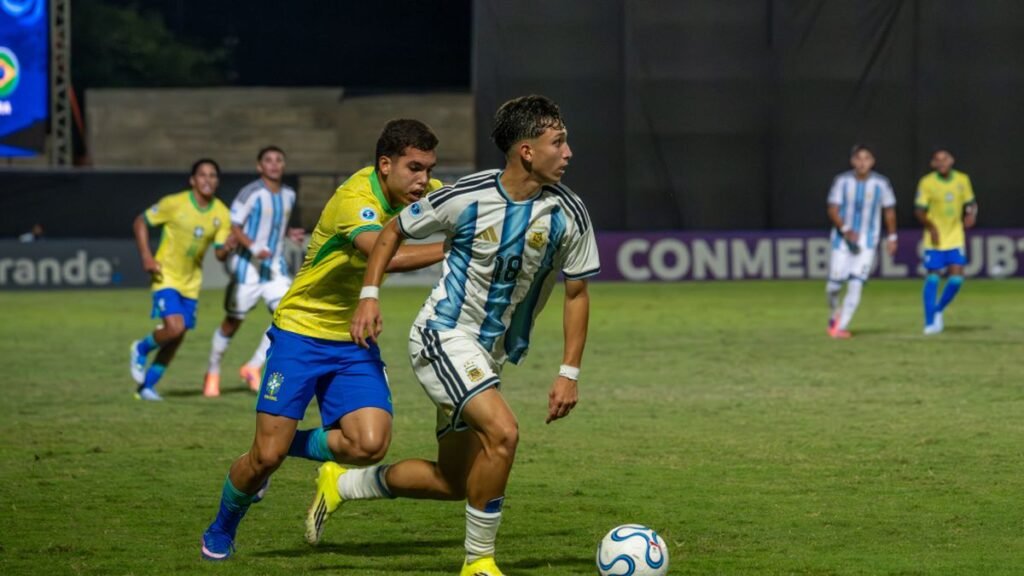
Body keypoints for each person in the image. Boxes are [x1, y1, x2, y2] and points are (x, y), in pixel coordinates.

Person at [307, 95, 600, 576]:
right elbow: (392, 232)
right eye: (558, 142)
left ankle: (344, 484)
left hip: (488, 355)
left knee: (454, 481)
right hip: (441, 336)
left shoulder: (570, 212)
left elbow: (577, 294)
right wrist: (370, 294)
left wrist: (569, 372)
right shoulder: (467, 196)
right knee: (503, 434)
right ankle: (478, 563)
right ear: (526, 151)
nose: (568, 153)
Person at [200, 119, 446, 561]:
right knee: (263, 460)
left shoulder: (419, 189)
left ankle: (280, 445)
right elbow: (382, 254)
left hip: (352, 339)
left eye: (428, 169)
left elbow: (471, 201)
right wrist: (456, 247)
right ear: (385, 164)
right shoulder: (356, 200)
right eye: (414, 168)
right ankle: (221, 526)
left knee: (369, 444)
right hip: (301, 333)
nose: (423, 180)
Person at [129, 159, 234, 401]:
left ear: (217, 181)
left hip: (191, 282)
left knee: (176, 337)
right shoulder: (174, 203)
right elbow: (140, 222)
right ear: (193, 180)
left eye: (212, 176)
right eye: (202, 175)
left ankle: (146, 387)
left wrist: (227, 248)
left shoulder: (221, 213)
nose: (208, 180)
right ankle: (140, 348)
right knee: (174, 328)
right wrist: (146, 256)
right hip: (165, 275)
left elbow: (219, 254)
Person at [203, 146, 297, 397]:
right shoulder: (251, 193)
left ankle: (253, 367)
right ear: (259, 167)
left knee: (288, 317)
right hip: (248, 268)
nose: (274, 164)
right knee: (233, 322)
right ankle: (212, 371)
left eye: (279, 159)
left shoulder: (289, 194)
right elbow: (234, 226)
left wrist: (290, 234)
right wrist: (253, 246)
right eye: (268, 160)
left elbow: (275, 225)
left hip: (274, 268)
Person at [825, 145, 897, 339]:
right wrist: (846, 230)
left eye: (867, 158)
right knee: (833, 286)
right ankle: (834, 314)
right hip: (842, 240)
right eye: (859, 158)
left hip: (868, 241)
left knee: (856, 283)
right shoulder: (842, 181)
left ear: (872, 161)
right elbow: (832, 209)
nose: (863, 162)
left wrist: (892, 237)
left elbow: (889, 211)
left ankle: (840, 327)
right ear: (853, 161)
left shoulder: (881, 183)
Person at [915, 148, 977, 335]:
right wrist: (931, 227)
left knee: (957, 278)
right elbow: (919, 210)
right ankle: (929, 322)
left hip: (955, 236)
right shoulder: (927, 182)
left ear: (952, 160)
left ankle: (939, 310)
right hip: (934, 238)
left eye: (945, 159)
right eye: (937, 160)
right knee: (933, 276)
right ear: (933, 164)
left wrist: (971, 215)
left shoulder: (962, 180)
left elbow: (971, 204)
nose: (942, 163)